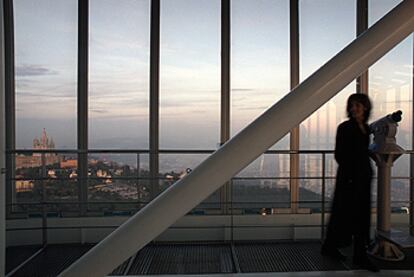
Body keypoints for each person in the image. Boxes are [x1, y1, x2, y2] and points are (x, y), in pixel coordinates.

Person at [321, 93, 379, 272]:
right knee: (351, 215)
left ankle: (331, 247)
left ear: (365, 107)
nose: (354, 109)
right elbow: (340, 154)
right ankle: (359, 256)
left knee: (348, 214)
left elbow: (360, 151)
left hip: (360, 178)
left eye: (358, 105)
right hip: (350, 179)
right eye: (352, 105)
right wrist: (354, 172)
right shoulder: (345, 127)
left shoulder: (365, 128)